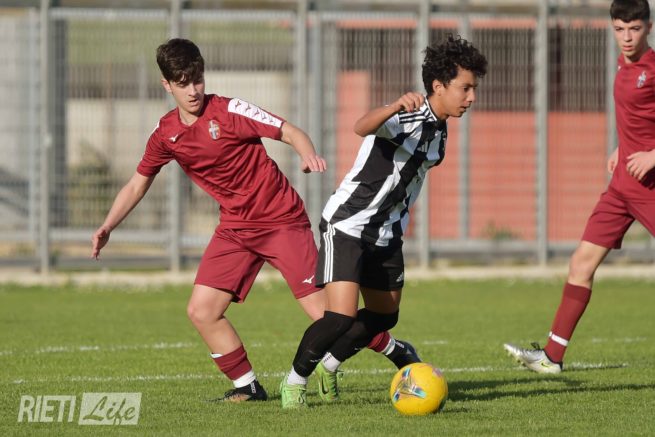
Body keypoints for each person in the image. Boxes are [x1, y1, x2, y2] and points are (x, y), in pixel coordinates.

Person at [91, 38, 419, 403]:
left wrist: (308, 154)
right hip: (235, 229)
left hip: (282, 221)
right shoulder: (165, 134)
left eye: (197, 79)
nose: (193, 90)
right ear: (166, 85)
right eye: (183, 83)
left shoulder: (229, 110)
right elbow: (137, 183)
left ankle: (394, 348)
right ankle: (247, 386)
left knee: (327, 317)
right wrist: (108, 226)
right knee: (202, 311)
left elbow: (289, 131)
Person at [279, 35, 488, 408]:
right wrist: (392, 107)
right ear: (439, 86)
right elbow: (361, 127)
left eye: (474, 88)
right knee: (340, 317)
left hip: (387, 233)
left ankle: (330, 365)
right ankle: (294, 382)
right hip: (348, 224)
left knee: (383, 316)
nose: (472, 97)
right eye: (465, 88)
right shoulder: (408, 115)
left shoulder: (440, 129)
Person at [504, 0, 655, 374]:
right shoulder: (623, 64)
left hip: (649, 186)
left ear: (648, 28)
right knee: (581, 263)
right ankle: (552, 357)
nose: (626, 37)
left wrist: (653, 155)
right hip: (621, 188)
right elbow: (639, 119)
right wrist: (624, 148)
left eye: (634, 29)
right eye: (619, 29)